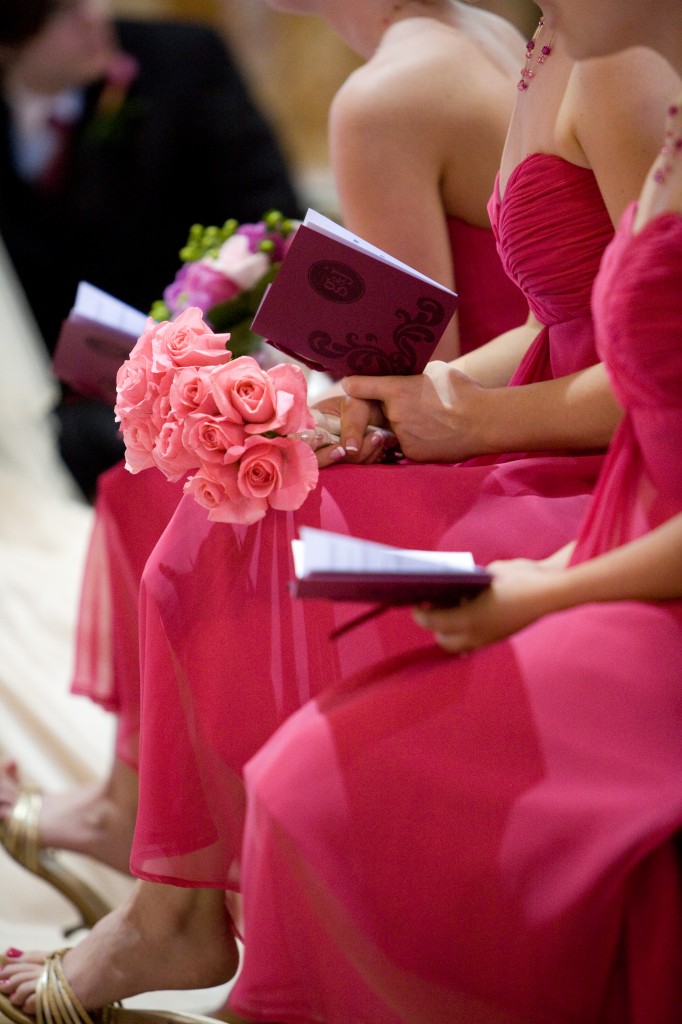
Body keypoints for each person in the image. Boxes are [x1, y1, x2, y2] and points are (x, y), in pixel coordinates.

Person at [1, 4, 680, 1021]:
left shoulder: (579, 67)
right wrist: (396, 405)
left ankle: (166, 890)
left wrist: (453, 416)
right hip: (543, 435)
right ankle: (158, 875)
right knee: (219, 501)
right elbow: (571, 324)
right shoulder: (548, 47)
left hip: (588, 474)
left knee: (223, 518)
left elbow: (620, 367)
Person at [0, 0, 302, 499]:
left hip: (190, 375)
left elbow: (267, 219)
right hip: (43, 389)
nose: (95, 17)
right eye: (63, 13)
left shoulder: (180, 61)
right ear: (9, 43)